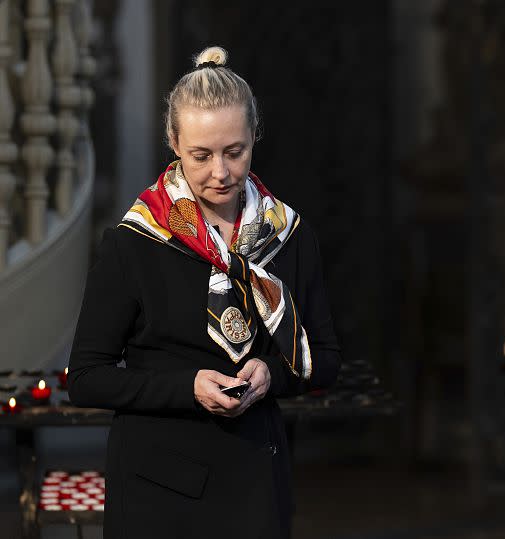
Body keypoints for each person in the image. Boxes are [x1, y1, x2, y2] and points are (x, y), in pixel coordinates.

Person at [68, 46, 341, 539]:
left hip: (256, 480)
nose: (220, 172)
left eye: (235, 152)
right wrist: (188, 385)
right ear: (173, 141)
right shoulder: (134, 242)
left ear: (255, 137)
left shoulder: (290, 235)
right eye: (201, 155)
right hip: (157, 490)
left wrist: (271, 376)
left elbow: (324, 358)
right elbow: (87, 378)